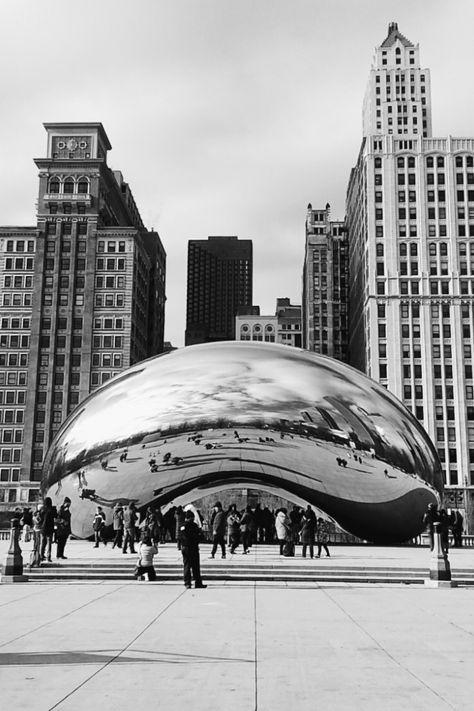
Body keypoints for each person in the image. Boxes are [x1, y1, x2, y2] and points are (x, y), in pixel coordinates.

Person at [180, 510, 206, 589]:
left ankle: (187, 583)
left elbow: (181, 536)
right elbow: (200, 536)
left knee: (187, 565)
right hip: (193, 547)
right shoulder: (194, 526)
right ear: (191, 518)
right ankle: (198, 582)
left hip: (185, 547)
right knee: (195, 566)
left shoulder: (182, 526)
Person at [40, 497, 57, 562]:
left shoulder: (42, 509)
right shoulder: (52, 509)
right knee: (49, 543)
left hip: (43, 528)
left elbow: (40, 518)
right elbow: (55, 516)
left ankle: (41, 555)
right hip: (50, 527)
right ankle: (48, 557)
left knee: (43, 543)